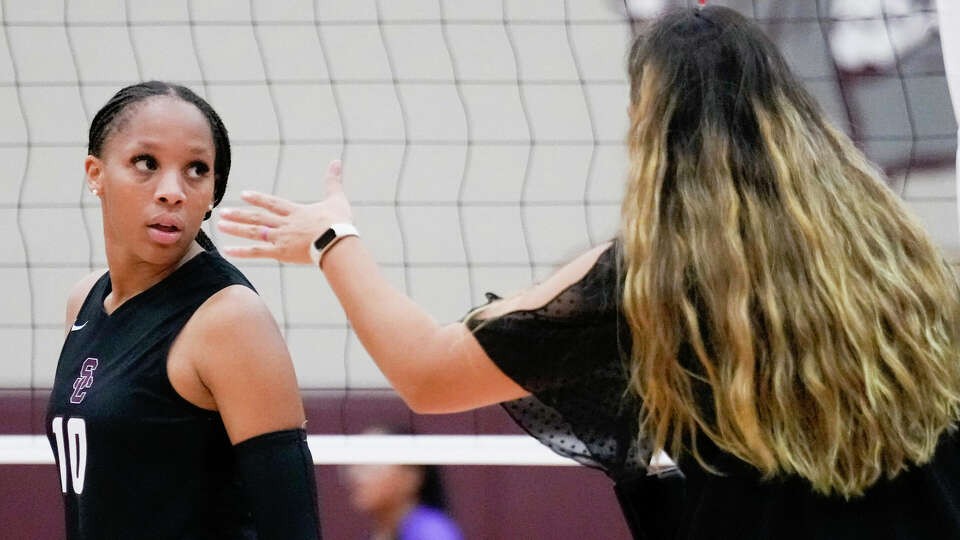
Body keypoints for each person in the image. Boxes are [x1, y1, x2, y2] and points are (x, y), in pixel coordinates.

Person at [218, 7, 960, 539]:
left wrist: (332, 241)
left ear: (648, 126)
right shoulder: (899, 254)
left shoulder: (654, 277)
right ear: (790, 109)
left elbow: (427, 373)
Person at [46, 81, 322, 539]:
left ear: (213, 191)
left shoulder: (228, 318)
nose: (172, 190)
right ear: (95, 173)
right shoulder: (85, 298)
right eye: (146, 163)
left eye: (196, 169)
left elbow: (293, 527)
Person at [344, 427, 463, 540]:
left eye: (370, 466)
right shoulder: (383, 533)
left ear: (411, 477)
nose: (355, 475)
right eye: (356, 465)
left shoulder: (432, 533)